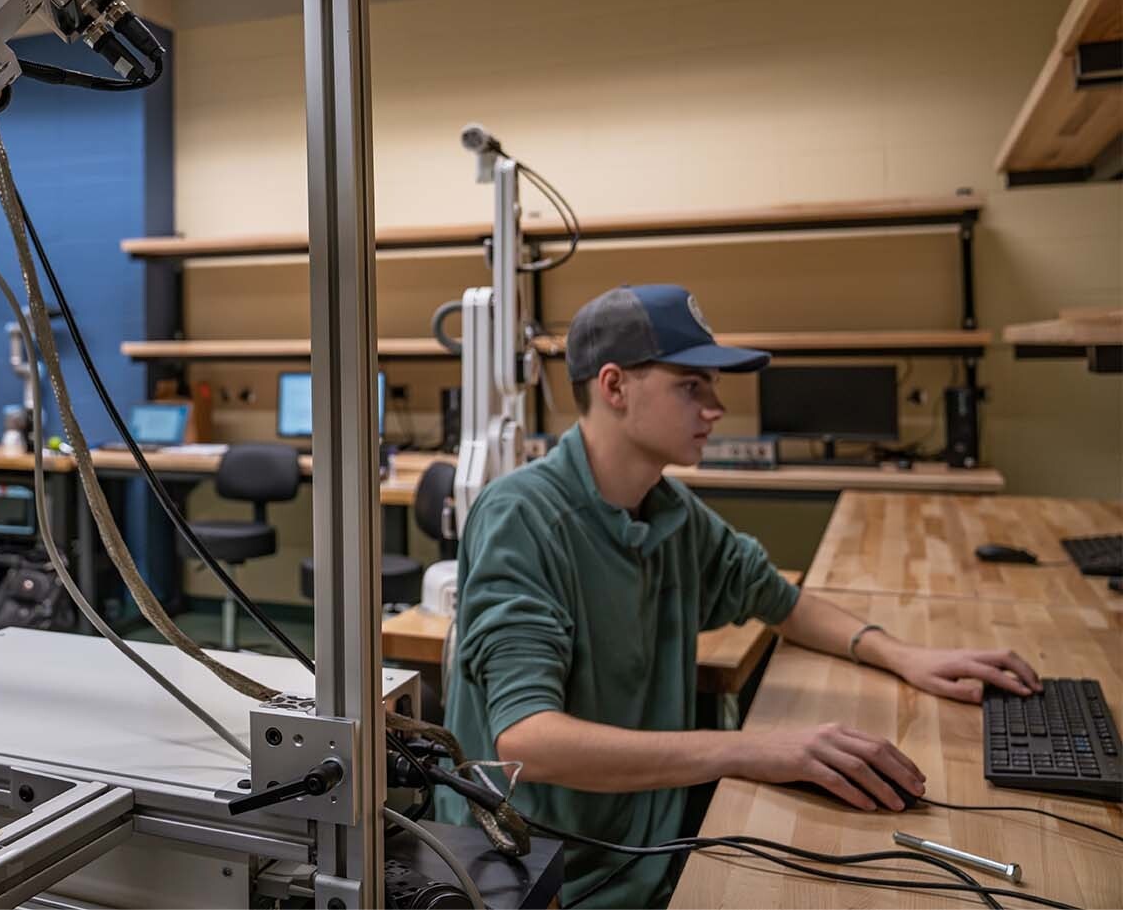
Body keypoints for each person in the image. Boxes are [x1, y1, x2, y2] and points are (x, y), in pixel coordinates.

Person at [437, 284, 1039, 908]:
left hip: (646, 841)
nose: (715, 408)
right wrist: (754, 748)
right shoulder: (523, 518)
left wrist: (904, 654)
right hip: (544, 867)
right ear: (614, 387)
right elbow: (528, 740)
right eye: (691, 387)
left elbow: (779, 599)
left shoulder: (670, 512)